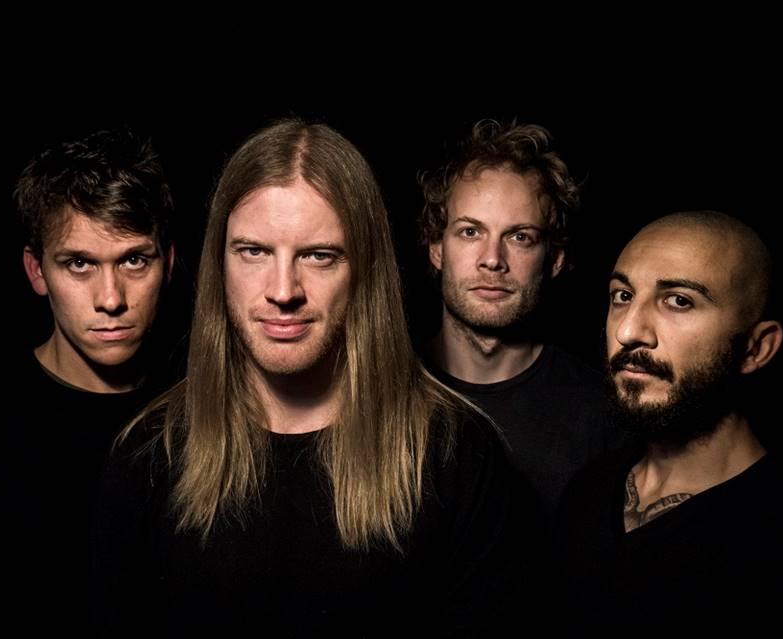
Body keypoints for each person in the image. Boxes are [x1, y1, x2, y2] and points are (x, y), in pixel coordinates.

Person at [94, 119, 522, 635]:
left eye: (319, 256)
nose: (282, 291)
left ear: (364, 271)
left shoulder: (459, 455)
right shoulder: (148, 455)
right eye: (253, 251)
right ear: (219, 263)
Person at [0, 127, 177, 630]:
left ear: (167, 264)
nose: (110, 299)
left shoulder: (205, 415)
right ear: (37, 271)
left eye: (133, 260)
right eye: (79, 264)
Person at [557, 211, 783, 632]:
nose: (629, 331)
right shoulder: (586, 491)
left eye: (679, 301)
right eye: (622, 295)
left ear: (756, 349)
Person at [419, 119, 624, 520]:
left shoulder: (603, 414)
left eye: (520, 237)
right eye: (470, 232)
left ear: (555, 259)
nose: (492, 259)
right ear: (436, 248)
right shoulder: (382, 391)